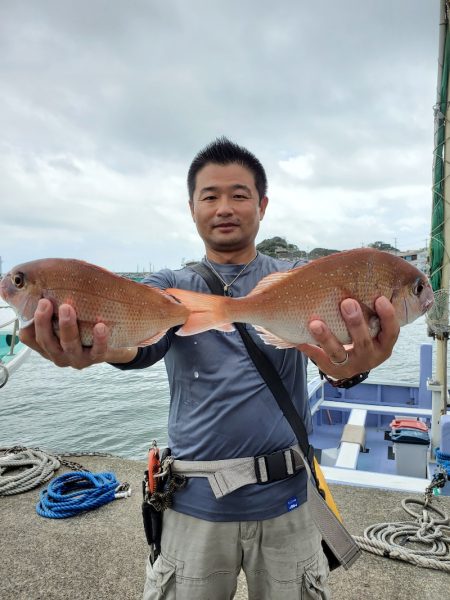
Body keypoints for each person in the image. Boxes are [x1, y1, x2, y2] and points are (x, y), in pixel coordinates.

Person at [21, 137, 399, 600]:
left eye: (239, 195)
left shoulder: (299, 277)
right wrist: (100, 348)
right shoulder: (169, 288)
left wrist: (351, 368)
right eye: (210, 196)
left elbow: (335, 357)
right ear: (191, 208)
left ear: (262, 205)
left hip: (288, 502)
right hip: (191, 504)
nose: (225, 207)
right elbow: (143, 345)